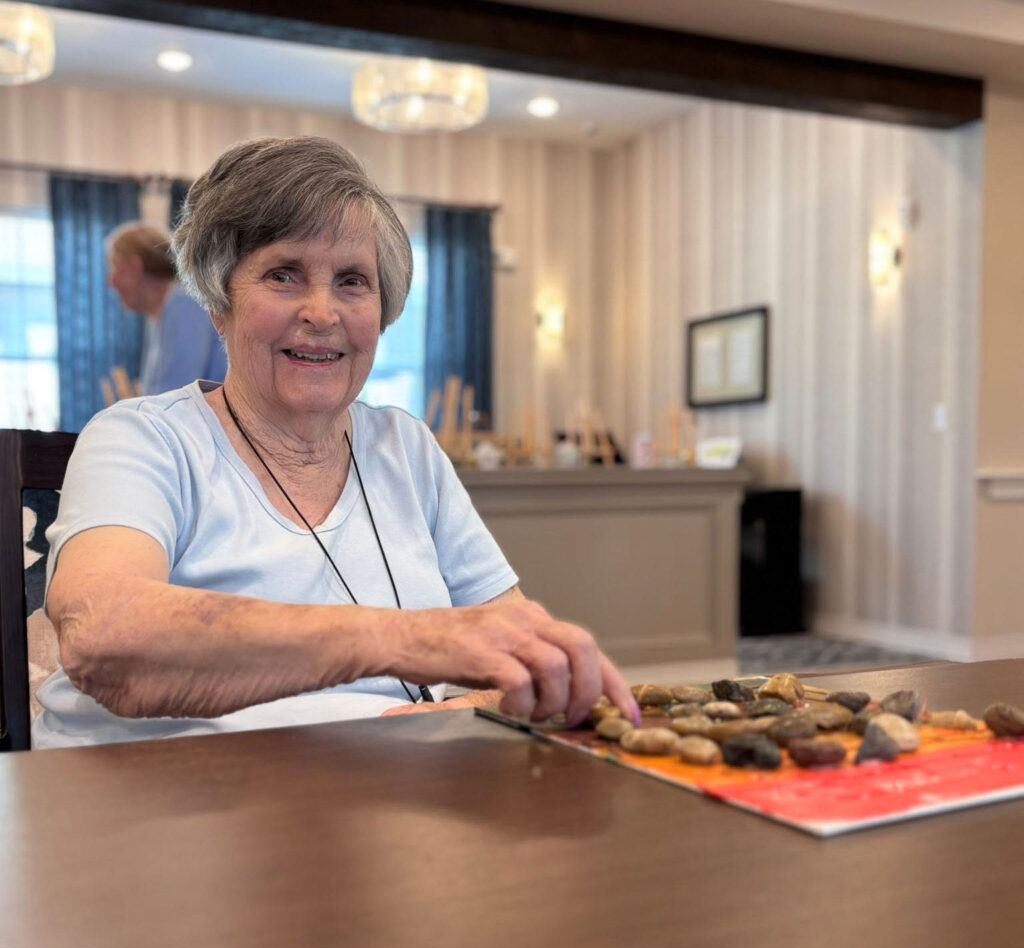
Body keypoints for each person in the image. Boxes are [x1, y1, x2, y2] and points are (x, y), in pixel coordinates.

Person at [35, 135, 639, 748]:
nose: (322, 312)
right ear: (220, 303)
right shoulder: (142, 438)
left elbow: (513, 650)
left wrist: (451, 711)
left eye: (353, 281)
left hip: (374, 796)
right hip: (154, 802)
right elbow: (102, 634)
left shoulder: (408, 449)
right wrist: (411, 641)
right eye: (283, 274)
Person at [107, 222, 228, 393]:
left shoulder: (185, 306)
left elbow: (173, 399)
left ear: (135, 268)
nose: (111, 281)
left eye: (115, 268)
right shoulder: (165, 310)